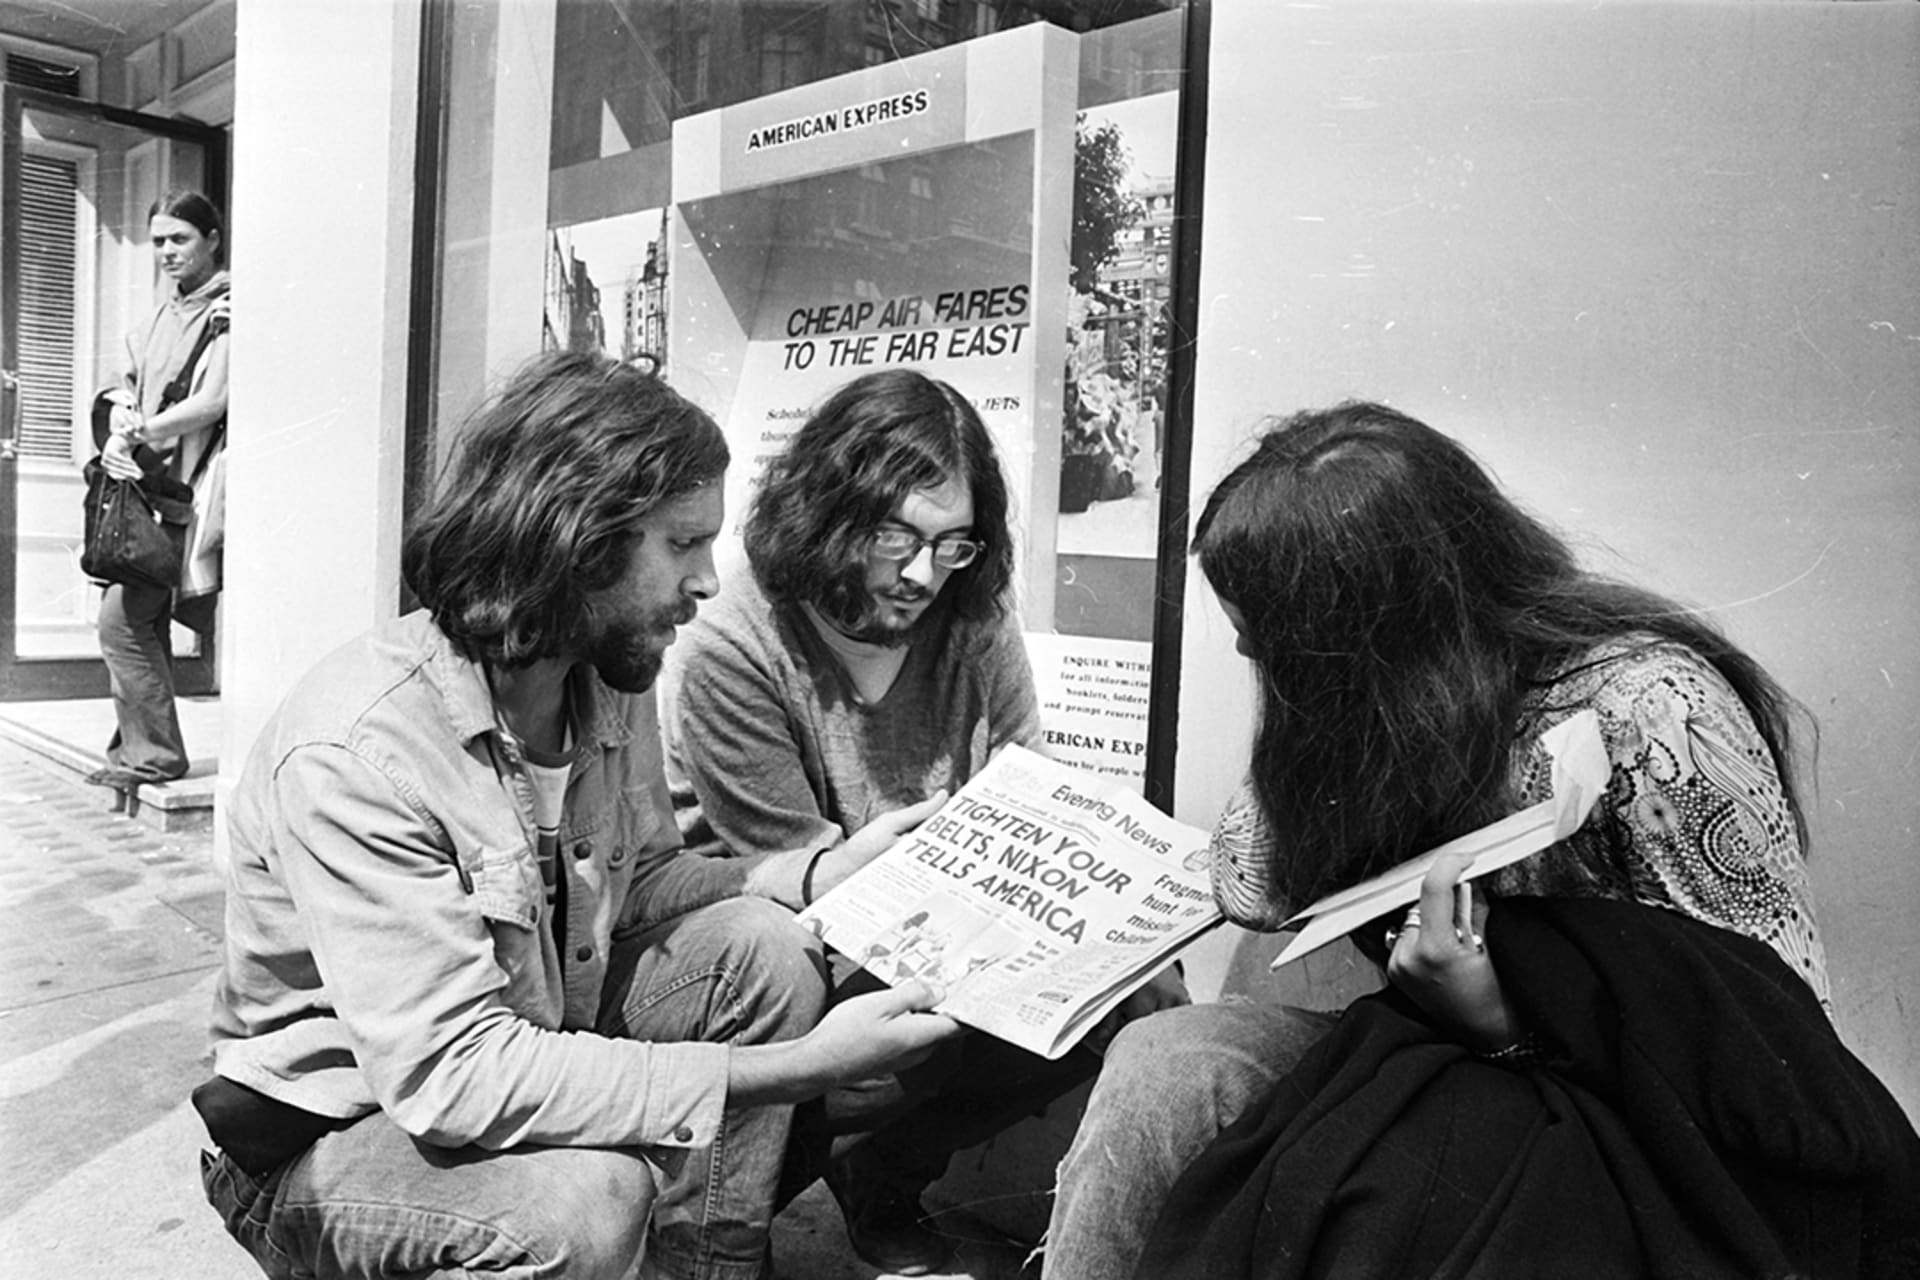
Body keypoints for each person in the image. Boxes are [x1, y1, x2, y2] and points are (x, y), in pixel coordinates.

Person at [1044, 402, 1920, 1279]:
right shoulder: (1392, 707)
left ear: (1374, 632)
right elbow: (1248, 885)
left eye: (1275, 649)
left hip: (1628, 1128)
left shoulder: (1654, 707)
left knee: (1385, 1196)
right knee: (1168, 1067)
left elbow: (1776, 1049)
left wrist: (1505, 1020)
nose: (1246, 652)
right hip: (1437, 1058)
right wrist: (1311, 726)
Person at [197, 352, 966, 1280]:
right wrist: (802, 1066)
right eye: (682, 544)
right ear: (577, 538)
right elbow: (454, 1078)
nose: (711, 582)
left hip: (531, 1033)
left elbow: (637, 881)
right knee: (583, 1204)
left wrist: (813, 878)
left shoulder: (601, 669)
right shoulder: (358, 752)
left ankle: (708, 1270)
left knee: (767, 945)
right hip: (334, 1140)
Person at [660, 367, 1185, 1275]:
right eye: (895, 535)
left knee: (1147, 986)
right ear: (828, 515)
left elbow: (1028, 789)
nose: (920, 574)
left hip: (940, 939)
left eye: (952, 544)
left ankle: (904, 1174)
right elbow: (796, 885)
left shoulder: (972, 615)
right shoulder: (734, 649)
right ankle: (815, 1188)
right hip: (793, 959)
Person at [89, 187, 230, 793]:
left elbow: (214, 401)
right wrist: (122, 415)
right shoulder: (159, 313)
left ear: (212, 241)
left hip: (185, 490)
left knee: (122, 622)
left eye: (181, 239)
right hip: (145, 485)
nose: (168, 252)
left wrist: (142, 428)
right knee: (139, 620)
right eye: (160, 242)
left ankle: (154, 755)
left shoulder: (228, 309)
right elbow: (125, 379)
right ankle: (139, 749)